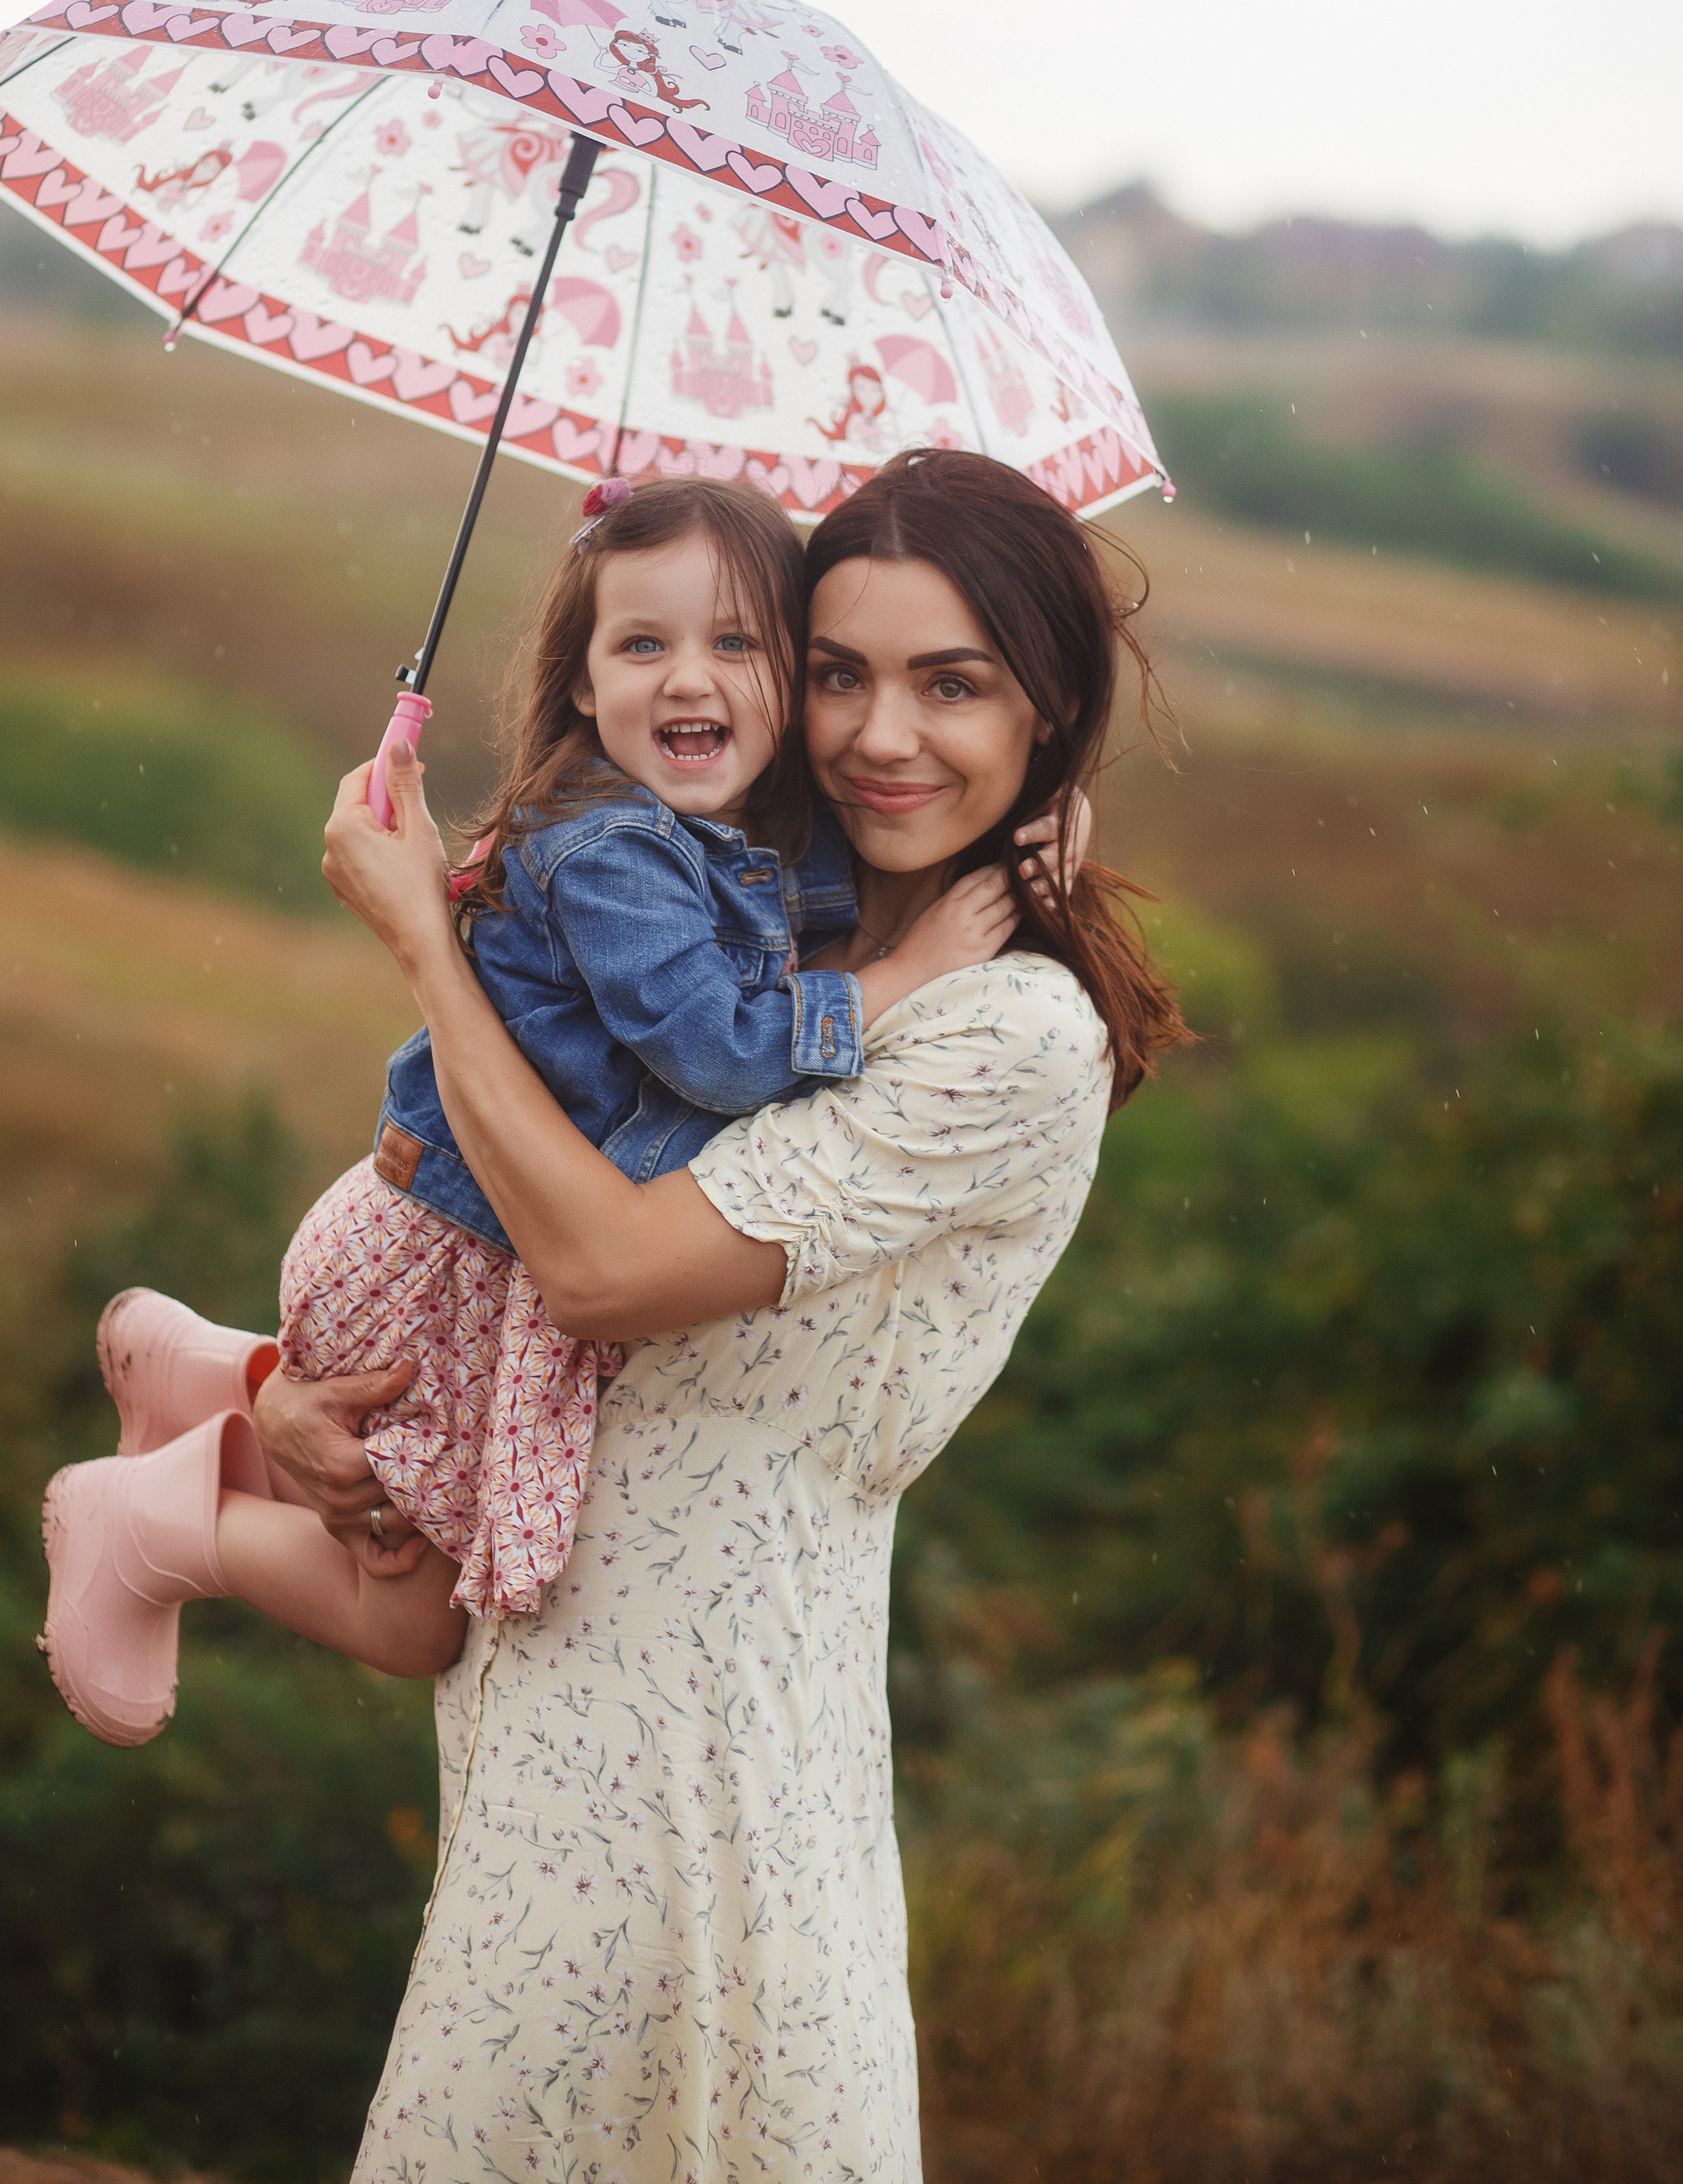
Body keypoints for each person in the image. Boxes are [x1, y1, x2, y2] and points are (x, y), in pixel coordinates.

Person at [281, 445, 1187, 2183]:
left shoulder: (1001, 1035)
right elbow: (477, 1253)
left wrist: (421, 947)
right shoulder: (761, 942)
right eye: (837, 672)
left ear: (1049, 712)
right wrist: (290, 1400)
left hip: (713, 1727)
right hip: (551, 1680)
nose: (877, 735)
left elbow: (601, 1270)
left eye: (954, 684)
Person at [38, 475, 1014, 1746]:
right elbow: (721, 1055)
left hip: (449, 1240)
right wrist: (905, 977)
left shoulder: (721, 831)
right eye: (644, 644)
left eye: (739, 643)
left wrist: (1019, 831)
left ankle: (199, 1371)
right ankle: (155, 1524)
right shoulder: (612, 855)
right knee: (413, 1622)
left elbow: (817, 900)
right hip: (447, 1260)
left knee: (397, 1531)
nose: (691, 680)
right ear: (581, 683)